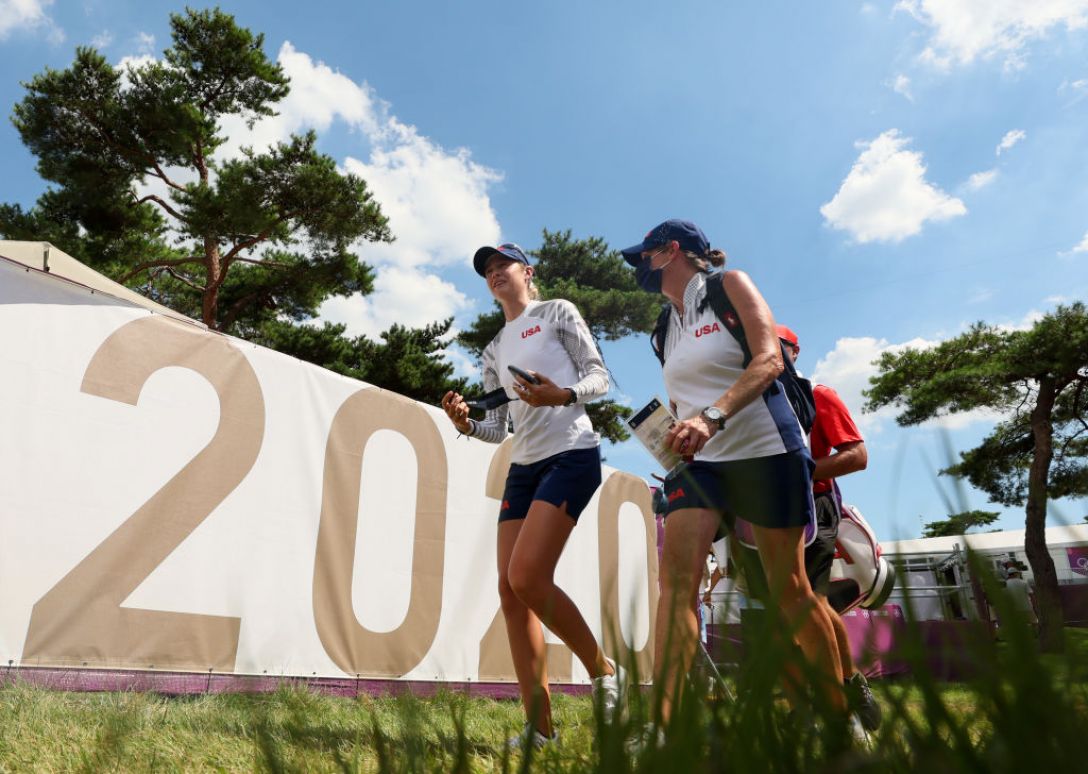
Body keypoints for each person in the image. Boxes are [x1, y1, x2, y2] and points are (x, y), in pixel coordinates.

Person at [620, 220, 852, 738]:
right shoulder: (665, 326)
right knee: (675, 586)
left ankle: (839, 718)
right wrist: (678, 431)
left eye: (643, 258)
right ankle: (665, 727)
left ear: (670, 252)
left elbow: (769, 361)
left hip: (764, 450)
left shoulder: (730, 286)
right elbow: (684, 397)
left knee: (791, 590)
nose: (639, 270)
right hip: (703, 466)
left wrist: (712, 417)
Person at [441, 242, 624, 750]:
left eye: (504, 265)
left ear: (528, 272)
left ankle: (605, 672)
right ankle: (540, 730)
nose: (495, 273)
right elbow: (497, 429)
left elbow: (600, 378)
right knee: (509, 590)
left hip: (572, 452)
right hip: (523, 465)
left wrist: (561, 395)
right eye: (488, 271)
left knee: (527, 577)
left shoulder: (558, 312)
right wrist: (465, 423)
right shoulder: (494, 349)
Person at [777, 324, 881, 732]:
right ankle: (802, 705)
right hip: (765, 510)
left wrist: (798, 472)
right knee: (779, 613)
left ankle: (848, 688)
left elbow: (857, 455)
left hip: (814, 504)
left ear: (794, 352)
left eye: (776, 345)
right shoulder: (752, 403)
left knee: (808, 602)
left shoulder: (819, 394)